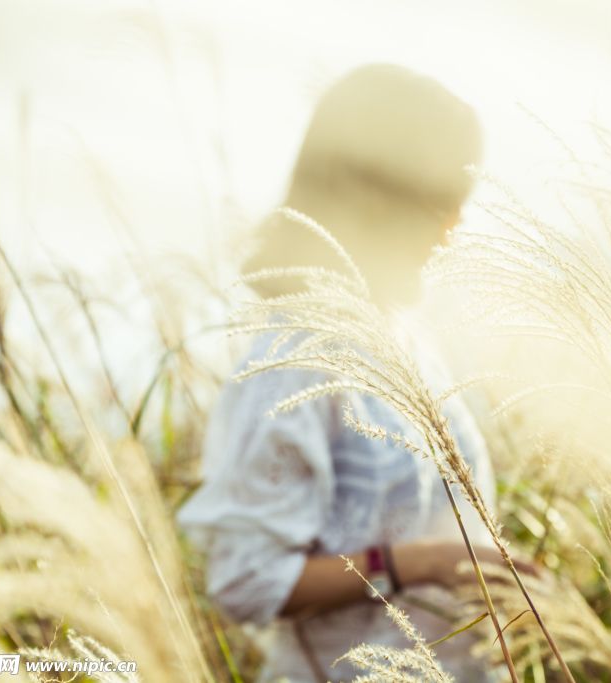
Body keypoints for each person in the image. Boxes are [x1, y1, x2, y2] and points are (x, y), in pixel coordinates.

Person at [177, 64, 527, 683]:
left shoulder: (403, 339)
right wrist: (420, 563)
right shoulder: (292, 361)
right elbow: (246, 581)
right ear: (375, 194)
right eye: (441, 198)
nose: (456, 224)